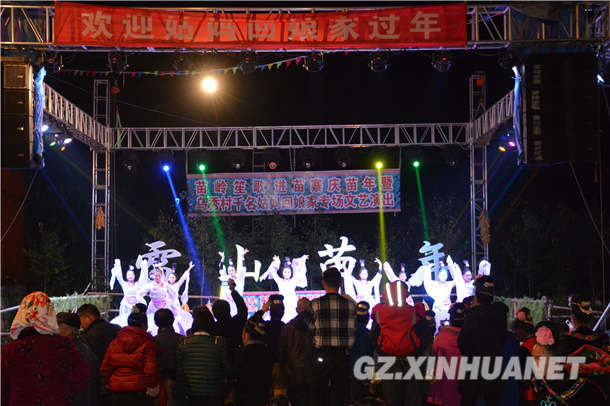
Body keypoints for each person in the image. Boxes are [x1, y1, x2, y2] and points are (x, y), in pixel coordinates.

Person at [2, 292, 91, 406]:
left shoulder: (9, 350)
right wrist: (63, 394)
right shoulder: (64, 345)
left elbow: (2, 389)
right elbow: (83, 375)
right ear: (50, 313)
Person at [371, 281, 430, 406]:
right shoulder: (414, 312)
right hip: (412, 362)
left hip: (387, 362)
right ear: (406, 294)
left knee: (391, 399)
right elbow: (426, 337)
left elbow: (374, 338)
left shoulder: (379, 313)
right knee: (413, 400)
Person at [306, 267, 357, 406]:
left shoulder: (315, 304)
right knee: (340, 395)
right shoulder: (350, 305)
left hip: (321, 354)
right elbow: (353, 330)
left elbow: (310, 328)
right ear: (341, 283)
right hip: (342, 355)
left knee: (318, 394)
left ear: (323, 283)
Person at [457, 276, 509, 406]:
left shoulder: (472, 316)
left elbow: (462, 343)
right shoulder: (500, 314)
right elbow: (502, 339)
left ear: (477, 296)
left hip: (473, 368)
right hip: (494, 366)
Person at [100, 312, 160, 406]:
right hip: (138, 391)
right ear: (144, 325)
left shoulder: (115, 342)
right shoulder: (148, 343)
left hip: (117, 391)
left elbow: (104, 369)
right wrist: (152, 387)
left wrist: (111, 383)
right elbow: (150, 371)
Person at [176, 307, 230, 406]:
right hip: (213, 394)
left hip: (190, 395)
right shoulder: (218, 342)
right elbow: (226, 369)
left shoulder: (183, 342)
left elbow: (179, 370)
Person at [77, 303, 121, 404]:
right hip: (118, 381)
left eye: (81, 320)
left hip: (99, 384)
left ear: (89, 317)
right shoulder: (117, 329)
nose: (81, 325)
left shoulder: (86, 337)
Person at [56, 311, 100, 406]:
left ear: (69, 331)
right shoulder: (84, 349)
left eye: (58, 328)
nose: (56, 332)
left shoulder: (75, 352)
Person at [427, 303, 465, 406]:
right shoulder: (469, 339)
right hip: (459, 394)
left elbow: (431, 361)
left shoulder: (440, 338)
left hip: (439, 394)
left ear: (451, 318)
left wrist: (428, 382)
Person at [278, 298, 314, 406]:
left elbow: (281, 352)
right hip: (311, 373)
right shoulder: (315, 327)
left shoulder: (287, 328)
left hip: (293, 372)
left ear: (297, 309)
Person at [234, 314, 274, 406]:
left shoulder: (241, 353)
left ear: (247, 334)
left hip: (244, 399)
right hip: (262, 398)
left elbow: (236, 374)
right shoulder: (268, 352)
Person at [260, 255, 309, 322]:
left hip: (292, 302)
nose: (287, 273)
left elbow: (302, 272)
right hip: (282, 302)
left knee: (293, 319)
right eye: (285, 272)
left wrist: (303, 259)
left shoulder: (293, 280)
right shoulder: (279, 281)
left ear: (291, 273)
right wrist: (276, 261)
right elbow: (272, 271)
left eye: (288, 272)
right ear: (282, 273)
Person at [211, 278, 249, 365]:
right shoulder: (236, 323)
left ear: (214, 313)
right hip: (237, 363)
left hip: (217, 365)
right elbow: (243, 309)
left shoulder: (212, 328)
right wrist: (233, 290)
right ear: (229, 310)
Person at [154, 308, 184, 406]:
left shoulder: (153, 341)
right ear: (173, 320)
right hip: (180, 385)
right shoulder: (182, 340)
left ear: (155, 323)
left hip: (157, 386)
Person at [110, 258, 149, 326]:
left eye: (132, 275)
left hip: (136, 305)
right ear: (126, 276)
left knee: (137, 319)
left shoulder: (138, 284)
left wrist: (144, 266)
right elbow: (119, 275)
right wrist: (118, 264)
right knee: (125, 319)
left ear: (134, 276)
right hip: (126, 304)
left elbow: (143, 276)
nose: (130, 276)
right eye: (129, 275)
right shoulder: (124, 284)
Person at [349, 301, 373, 404]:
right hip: (359, 369)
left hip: (348, 368)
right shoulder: (365, 334)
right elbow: (365, 354)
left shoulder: (350, 330)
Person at [422, 263, 456, 330]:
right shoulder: (434, 284)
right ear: (438, 275)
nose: (443, 276)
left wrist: (451, 265)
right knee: (437, 324)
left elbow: (457, 279)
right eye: (441, 274)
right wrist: (428, 269)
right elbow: (427, 281)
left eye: (444, 274)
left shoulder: (449, 283)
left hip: (447, 306)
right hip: (438, 307)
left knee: (448, 324)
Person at [166, 261, 194, 334]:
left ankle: (177, 332)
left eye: (173, 277)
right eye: (170, 277)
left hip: (175, 304)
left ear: (175, 278)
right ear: (168, 278)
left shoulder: (177, 285)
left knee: (177, 319)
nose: (171, 279)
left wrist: (189, 268)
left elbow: (183, 277)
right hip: (167, 303)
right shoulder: (166, 285)